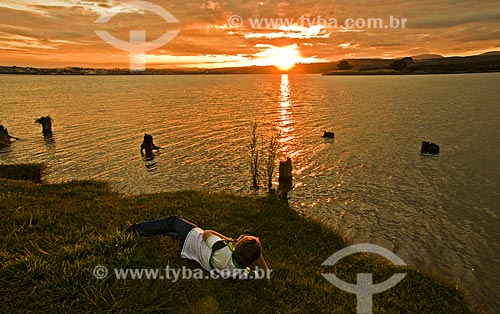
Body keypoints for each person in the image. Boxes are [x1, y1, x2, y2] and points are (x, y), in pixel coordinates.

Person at [123, 215, 269, 278]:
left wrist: (231, 240)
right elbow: (265, 274)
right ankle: (167, 234)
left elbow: (207, 233)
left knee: (172, 221)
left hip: (192, 237)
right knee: (172, 232)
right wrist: (259, 254)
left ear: (237, 246)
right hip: (191, 252)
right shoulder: (241, 273)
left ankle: (132, 229)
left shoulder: (222, 248)